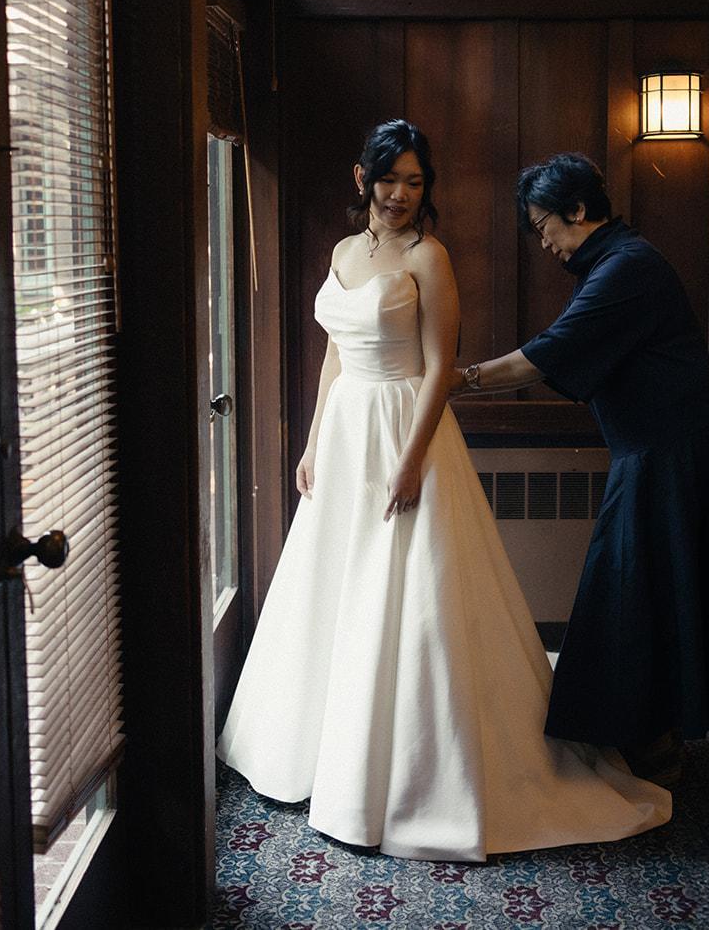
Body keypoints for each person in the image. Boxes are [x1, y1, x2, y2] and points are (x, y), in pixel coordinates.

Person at [216, 121, 670, 862]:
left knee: (408, 594)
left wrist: (411, 458)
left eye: (415, 181)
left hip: (406, 428)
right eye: (389, 178)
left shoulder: (430, 256)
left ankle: (405, 776)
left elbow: (438, 367)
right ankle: (318, 754)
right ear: (362, 178)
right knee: (335, 586)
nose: (400, 193)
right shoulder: (343, 253)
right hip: (346, 433)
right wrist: (313, 440)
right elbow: (335, 355)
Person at [447, 152, 709, 785]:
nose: (543, 242)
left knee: (642, 590)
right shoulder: (616, 263)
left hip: (674, 452)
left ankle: (651, 742)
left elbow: (545, 356)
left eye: (544, 225)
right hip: (664, 449)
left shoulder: (627, 267)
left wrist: (455, 381)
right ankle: (653, 736)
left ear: (578, 210)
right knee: (652, 589)